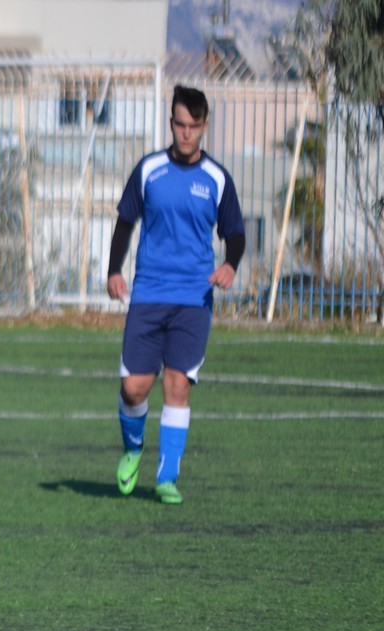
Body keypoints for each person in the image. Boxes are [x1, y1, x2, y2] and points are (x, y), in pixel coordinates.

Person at [106, 84, 245, 505]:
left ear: (204, 127)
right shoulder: (149, 170)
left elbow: (235, 233)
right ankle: (133, 449)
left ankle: (167, 477)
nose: (186, 133)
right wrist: (114, 270)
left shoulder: (217, 179)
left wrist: (230, 264)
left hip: (193, 298)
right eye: (180, 124)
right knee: (134, 388)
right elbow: (125, 222)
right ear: (171, 123)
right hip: (149, 292)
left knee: (178, 385)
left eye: (194, 126)